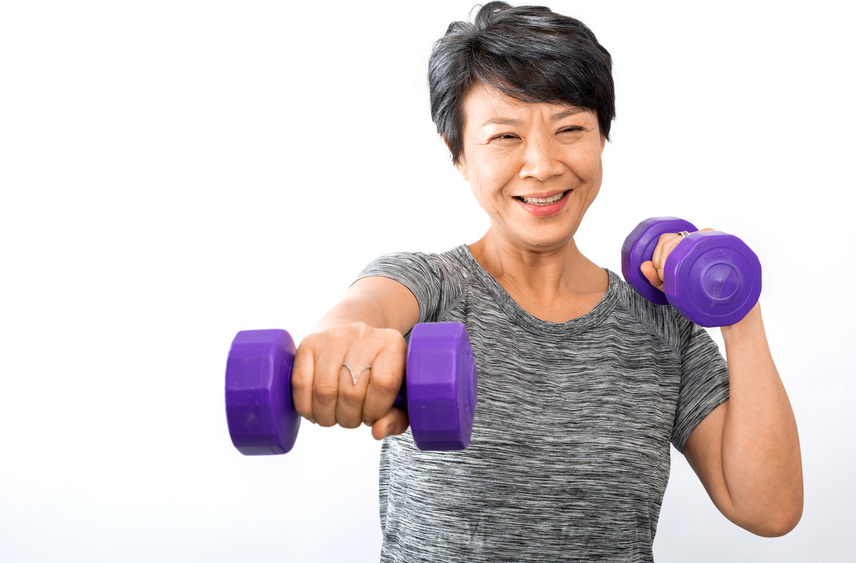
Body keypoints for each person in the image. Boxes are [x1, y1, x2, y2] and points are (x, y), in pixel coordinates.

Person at [289, 2, 803, 560]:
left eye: (570, 129)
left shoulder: (661, 325)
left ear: (602, 137)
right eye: (504, 137)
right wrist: (341, 337)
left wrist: (736, 311)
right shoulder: (430, 287)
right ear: (458, 154)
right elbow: (365, 308)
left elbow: (768, 508)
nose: (542, 164)